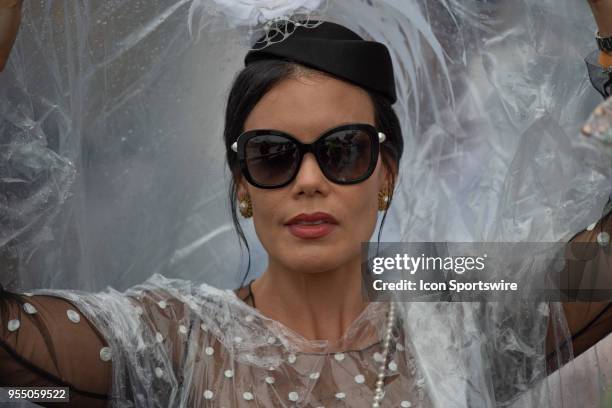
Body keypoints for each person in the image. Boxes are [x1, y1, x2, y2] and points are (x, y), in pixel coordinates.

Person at [0, 1, 611, 407]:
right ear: (241, 184)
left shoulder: (436, 289)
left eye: (343, 151)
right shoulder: (178, 337)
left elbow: (603, 270)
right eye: (273, 156)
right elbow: (16, 367)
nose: (309, 180)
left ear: (386, 174)